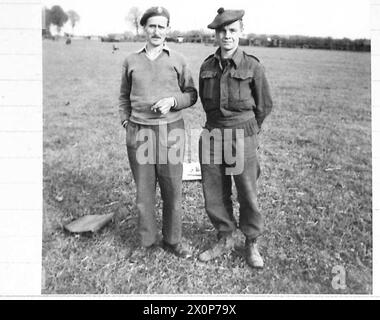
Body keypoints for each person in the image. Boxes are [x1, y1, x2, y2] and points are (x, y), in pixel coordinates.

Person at [118, 6, 197, 258]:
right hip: (139, 131)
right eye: (151, 25)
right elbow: (123, 97)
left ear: (168, 30)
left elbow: (191, 94)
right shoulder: (131, 60)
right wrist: (125, 122)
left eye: (161, 26)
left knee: (172, 188)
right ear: (144, 28)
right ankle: (146, 241)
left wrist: (173, 101)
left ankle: (173, 240)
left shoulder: (178, 60)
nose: (156, 31)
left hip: (171, 132)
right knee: (144, 191)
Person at [198, 8, 273, 268]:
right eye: (222, 31)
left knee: (247, 190)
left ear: (241, 32)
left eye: (232, 30)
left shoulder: (253, 65)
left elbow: (264, 106)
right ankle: (225, 237)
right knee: (214, 191)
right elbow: (206, 104)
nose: (227, 36)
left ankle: (251, 241)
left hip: (242, 134)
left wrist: (248, 133)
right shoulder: (207, 66)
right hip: (211, 134)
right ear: (216, 35)